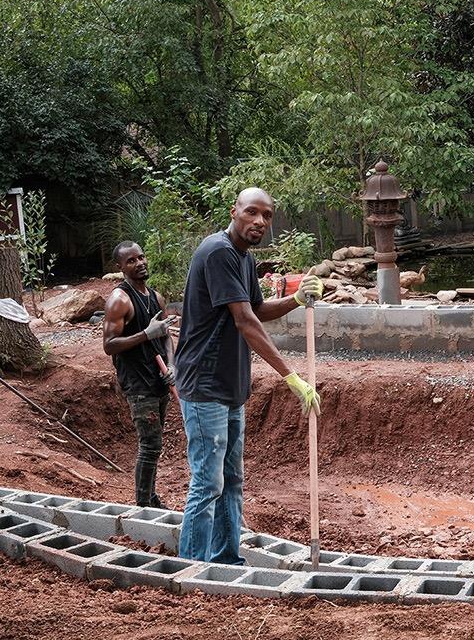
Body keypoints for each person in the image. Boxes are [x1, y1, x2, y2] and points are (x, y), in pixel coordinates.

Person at [175, 187, 323, 564]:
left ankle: (226, 559)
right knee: (208, 482)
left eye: (267, 216)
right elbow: (246, 322)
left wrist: (297, 300)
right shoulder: (219, 252)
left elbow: (257, 307)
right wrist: (291, 377)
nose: (260, 221)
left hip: (229, 386)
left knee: (231, 481)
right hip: (204, 384)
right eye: (252, 213)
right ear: (234, 211)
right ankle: (192, 568)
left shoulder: (242, 257)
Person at [102, 241, 176, 508]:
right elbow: (109, 345)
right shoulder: (119, 300)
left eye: (141, 257)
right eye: (131, 260)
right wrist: (146, 334)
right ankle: (143, 506)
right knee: (150, 446)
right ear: (120, 267)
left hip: (158, 379)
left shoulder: (155, 297)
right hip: (137, 383)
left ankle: (151, 498)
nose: (140, 263)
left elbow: (166, 335)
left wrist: (172, 365)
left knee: (154, 446)